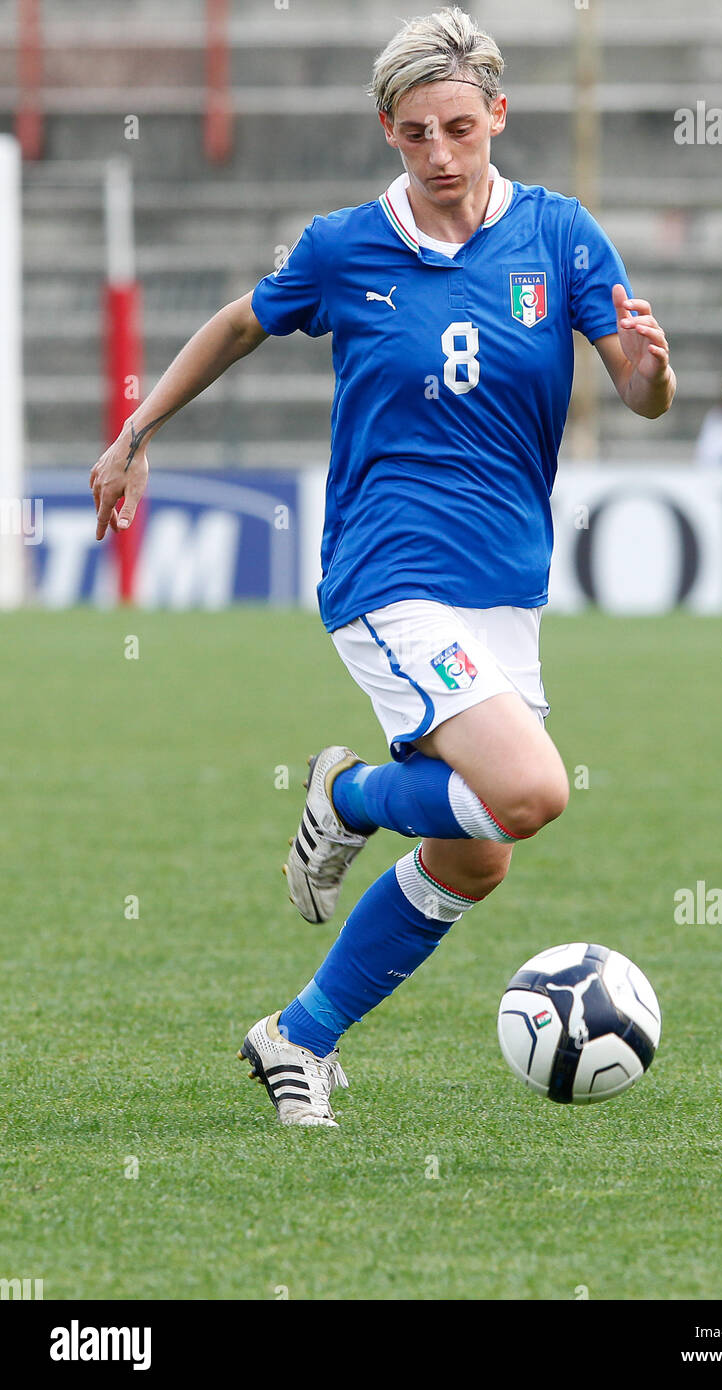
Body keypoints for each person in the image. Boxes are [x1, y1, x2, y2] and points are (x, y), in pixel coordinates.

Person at [89, 7, 675, 1128]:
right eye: (416, 133)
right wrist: (135, 432)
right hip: (386, 569)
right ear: (387, 130)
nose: (442, 153)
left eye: (460, 125)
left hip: (504, 580)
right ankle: (350, 793)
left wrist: (652, 372)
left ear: (498, 114)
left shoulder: (559, 236)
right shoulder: (343, 245)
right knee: (530, 792)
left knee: (475, 859)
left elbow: (642, 394)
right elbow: (238, 324)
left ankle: (296, 1036)